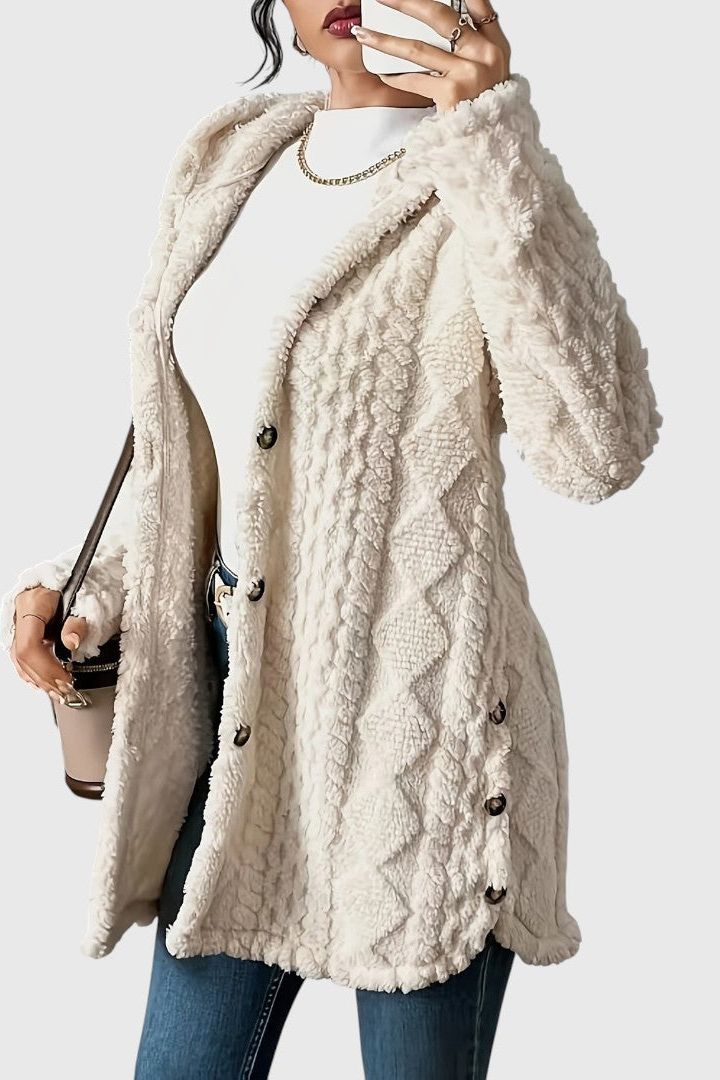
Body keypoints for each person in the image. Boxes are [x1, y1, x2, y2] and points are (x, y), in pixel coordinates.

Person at [0, 1, 662, 1077]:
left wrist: (491, 139)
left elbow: (600, 450)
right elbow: (186, 448)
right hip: (236, 725)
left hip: (423, 733)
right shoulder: (233, 160)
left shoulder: (485, 176)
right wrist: (90, 587)